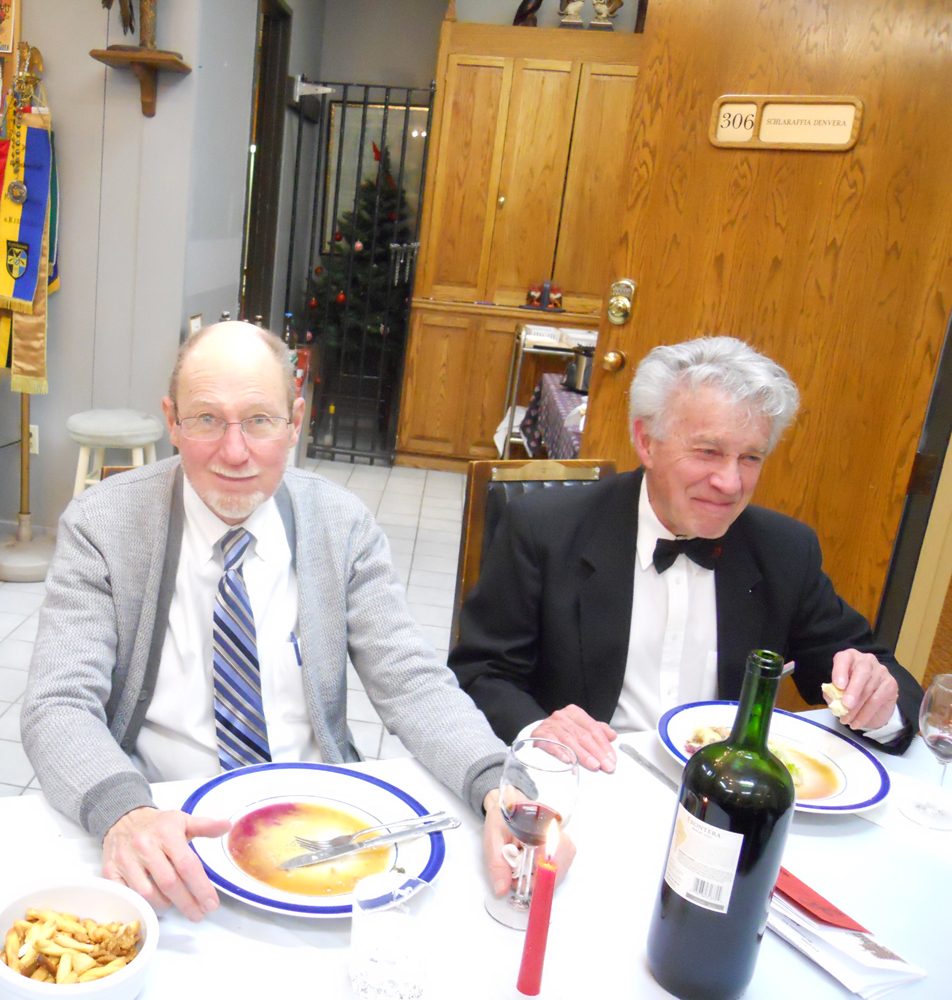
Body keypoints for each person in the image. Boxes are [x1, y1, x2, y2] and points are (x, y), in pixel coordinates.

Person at [22, 321, 565, 920]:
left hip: (322, 826)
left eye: (259, 420)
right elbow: (58, 704)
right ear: (172, 421)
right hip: (167, 821)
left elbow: (412, 682)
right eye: (207, 419)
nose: (235, 451)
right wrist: (127, 813)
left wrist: (497, 783)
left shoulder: (341, 524)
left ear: (295, 421)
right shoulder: (101, 525)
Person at [450, 336, 923, 772]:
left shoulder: (784, 550)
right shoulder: (545, 530)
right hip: (587, 780)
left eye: (751, 457)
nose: (730, 483)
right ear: (646, 441)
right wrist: (540, 730)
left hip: (722, 792)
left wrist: (878, 703)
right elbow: (480, 673)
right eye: (708, 451)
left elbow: (883, 677)